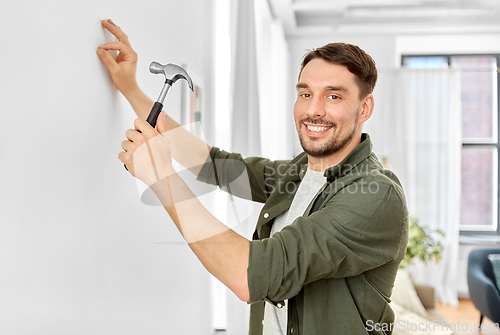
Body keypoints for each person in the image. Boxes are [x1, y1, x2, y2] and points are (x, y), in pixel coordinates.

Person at [97, 19, 409, 335]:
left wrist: (162, 177)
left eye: (333, 96)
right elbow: (214, 166)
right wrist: (130, 87)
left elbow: (251, 275)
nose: (313, 110)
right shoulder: (303, 170)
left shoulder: (375, 195)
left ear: (365, 107)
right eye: (305, 94)